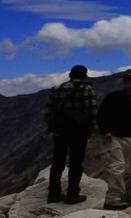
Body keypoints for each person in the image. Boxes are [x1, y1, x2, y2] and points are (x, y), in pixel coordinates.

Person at [45, 65, 97, 204]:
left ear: (70, 75)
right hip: (79, 132)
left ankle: (54, 194)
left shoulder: (57, 89)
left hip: (60, 131)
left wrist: (53, 127)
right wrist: (90, 129)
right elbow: (92, 111)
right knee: (76, 162)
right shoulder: (87, 89)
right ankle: (72, 194)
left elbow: (49, 112)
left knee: (58, 162)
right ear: (85, 76)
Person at [98, 73, 131, 210]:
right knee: (117, 166)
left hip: (128, 137)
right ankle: (112, 199)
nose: (126, 81)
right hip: (112, 137)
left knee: (124, 167)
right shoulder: (113, 97)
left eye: (130, 79)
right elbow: (102, 114)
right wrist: (105, 131)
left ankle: (114, 195)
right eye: (126, 79)